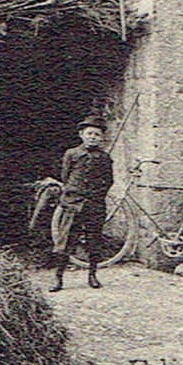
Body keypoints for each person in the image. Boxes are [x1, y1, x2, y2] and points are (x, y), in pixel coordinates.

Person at [50, 115, 114, 292]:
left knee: (94, 241)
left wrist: (97, 196)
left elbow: (108, 181)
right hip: (73, 203)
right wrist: (74, 193)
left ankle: (92, 275)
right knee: (66, 241)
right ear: (81, 134)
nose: (93, 137)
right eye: (89, 133)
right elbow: (65, 175)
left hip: (94, 204)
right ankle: (58, 278)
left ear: (102, 138)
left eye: (97, 134)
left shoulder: (104, 158)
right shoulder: (72, 154)